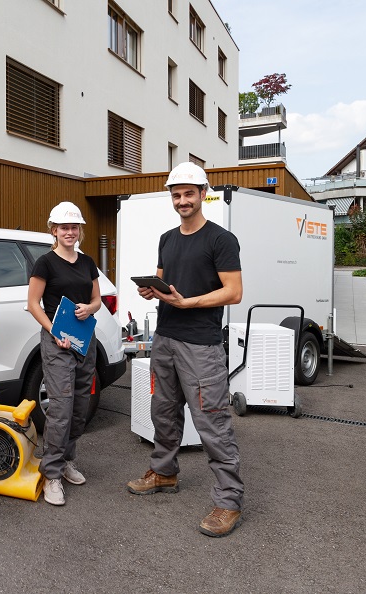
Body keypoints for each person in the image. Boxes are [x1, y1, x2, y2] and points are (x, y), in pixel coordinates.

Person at [126, 162, 245, 538]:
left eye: (189, 193)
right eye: (176, 194)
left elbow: (234, 292)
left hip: (201, 346)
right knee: (163, 411)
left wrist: (187, 302)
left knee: (212, 421)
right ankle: (164, 472)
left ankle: (228, 500)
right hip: (165, 338)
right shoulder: (167, 238)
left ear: (203, 193)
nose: (182, 200)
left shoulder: (221, 240)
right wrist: (152, 290)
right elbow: (164, 282)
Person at [26, 202, 100, 506]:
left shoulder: (87, 262)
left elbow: (96, 299)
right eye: (64, 228)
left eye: (74, 227)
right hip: (57, 341)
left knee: (81, 405)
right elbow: (33, 304)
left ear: (79, 230)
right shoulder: (45, 263)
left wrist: (89, 308)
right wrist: (54, 332)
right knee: (61, 407)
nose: (69, 232)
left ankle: (67, 459)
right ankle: (52, 474)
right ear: (54, 231)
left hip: (85, 339)